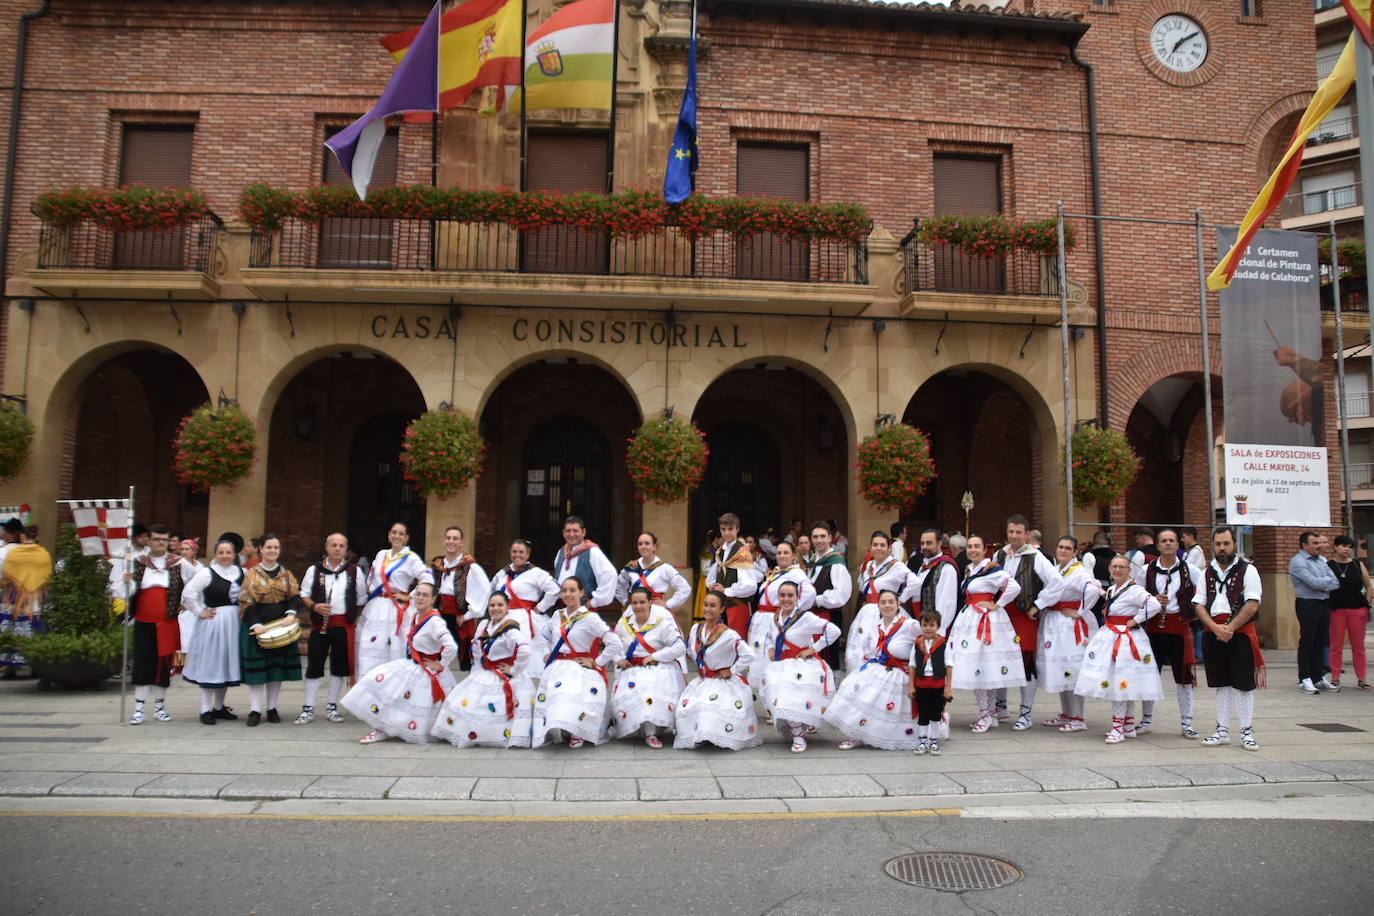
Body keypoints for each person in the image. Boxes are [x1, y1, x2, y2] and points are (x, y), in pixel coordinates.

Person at [343, 581, 456, 744]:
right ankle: (382, 728)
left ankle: (388, 729)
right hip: (411, 665)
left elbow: (450, 646)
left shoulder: (435, 621)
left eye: (425, 595)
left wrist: (441, 663)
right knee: (385, 688)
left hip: (426, 670)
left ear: (433, 599)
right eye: (418, 594)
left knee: (413, 702)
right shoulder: (416, 615)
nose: (420, 598)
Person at [1075, 555, 1164, 744]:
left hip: (1125, 639)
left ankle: (1118, 728)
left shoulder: (1135, 590)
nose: (1117, 570)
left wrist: (1136, 619)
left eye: (1122, 567)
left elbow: (1154, 604)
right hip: (1112, 635)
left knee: (1120, 682)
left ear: (1129, 570)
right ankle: (1128, 725)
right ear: (1109, 569)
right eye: (1114, 566)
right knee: (1123, 681)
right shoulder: (1111, 589)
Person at [1193, 527, 1265, 751]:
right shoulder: (1206, 572)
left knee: (1244, 684)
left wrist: (1230, 628)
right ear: (1212, 546)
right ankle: (1222, 730)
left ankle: (1246, 731)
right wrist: (1215, 628)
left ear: (1234, 544)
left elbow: (1252, 604)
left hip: (1240, 632)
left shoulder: (1248, 570)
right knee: (1221, 683)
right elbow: (1198, 603)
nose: (1222, 548)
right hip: (1213, 631)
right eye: (1218, 544)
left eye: (1226, 543)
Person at [432, 592, 535, 748]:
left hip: (503, 675)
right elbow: (476, 648)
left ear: (507, 607)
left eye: (500, 605)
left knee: (496, 707)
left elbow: (525, 650)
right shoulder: (484, 624)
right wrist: (479, 667)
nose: (496, 608)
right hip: (485, 672)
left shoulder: (510, 628)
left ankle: (496, 735)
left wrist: (514, 669)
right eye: (492, 605)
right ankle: (475, 732)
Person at [532, 577, 624, 748]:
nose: (568, 594)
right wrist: (546, 653)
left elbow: (614, 642)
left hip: (579, 667)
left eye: (572, 590)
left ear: (581, 593)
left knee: (574, 695)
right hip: (557, 666)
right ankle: (557, 730)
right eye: (565, 590)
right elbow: (544, 637)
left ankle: (578, 731)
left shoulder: (590, 618)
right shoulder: (557, 615)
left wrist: (596, 662)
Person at [825, 589, 921, 751]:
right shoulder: (878, 625)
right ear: (878, 606)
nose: (887, 605)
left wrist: (916, 663)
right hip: (879, 667)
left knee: (886, 707)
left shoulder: (909, 625)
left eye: (891, 602)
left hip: (900, 674)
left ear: (898, 604)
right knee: (859, 692)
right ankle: (855, 734)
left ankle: (884, 736)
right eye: (883, 602)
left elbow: (931, 639)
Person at [114, 524, 191, 723]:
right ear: (148, 540)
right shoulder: (138, 563)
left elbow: (199, 581)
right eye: (157, 539)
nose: (161, 543)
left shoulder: (178, 563)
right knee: (143, 663)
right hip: (144, 622)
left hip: (167, 622)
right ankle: (139, 707)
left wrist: (187, 603)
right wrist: (126, 582)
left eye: (165, 540)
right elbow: (125, 593)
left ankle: (160, 706)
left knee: (163, 665)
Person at [948, 534, 1024, 733]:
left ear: (984, 550)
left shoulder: (992, 569)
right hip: (970, 620)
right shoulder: (970, 569)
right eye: (970, 547)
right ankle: (989, 713)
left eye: (976, 546)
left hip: (985, 620)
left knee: (981, 668)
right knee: (982, 668)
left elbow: (1014, 586)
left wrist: (997, 604)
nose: (973, 550)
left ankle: (985, 713)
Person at [1135, 529, 1204, 738]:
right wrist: (1152, 598)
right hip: (1153, 627)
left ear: (1177, 545)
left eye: (1171, 540)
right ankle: (1146, 719)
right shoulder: (1146, 570)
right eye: (1163, 541)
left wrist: (1192, 610)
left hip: (1179, 626)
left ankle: (1187, 722)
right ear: (1157, 545)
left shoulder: (1189, 569)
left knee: (1183, 676)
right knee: (1149, 673)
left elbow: (1202, 594)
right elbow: (1136, 595)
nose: (1167, 544)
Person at [758, 581, 840, 753]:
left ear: (797, 598)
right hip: (779, 665)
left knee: (788, 699)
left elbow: (834, 631)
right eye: (782, 595)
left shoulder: (805, 617)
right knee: (779, 700)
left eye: (790, 595)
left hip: (801, 666)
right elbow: (768, 637)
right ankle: (800, 726)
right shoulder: (775, 617)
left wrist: (813, 648)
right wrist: (771, 648)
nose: (786, 599)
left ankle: (798, 736)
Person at [296, 533, 369, 725]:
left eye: (341, 545)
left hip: (342, 626)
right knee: (314, 666)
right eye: (334, 545)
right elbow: (303, 594)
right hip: (320, 625)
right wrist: (314, 606)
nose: (337, 548)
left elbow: (362, 598)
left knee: (338, 668)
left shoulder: (354, 571)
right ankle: (308, 708)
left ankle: (331, 706)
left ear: (346, 549)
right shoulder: (314, 570)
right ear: (326, 547)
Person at [674, 591, 761, 750]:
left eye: (713, 606)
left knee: (712, 706)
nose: (708, 609)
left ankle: (715, 736)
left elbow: (749, 655)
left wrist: (732, 670)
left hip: (722, 682)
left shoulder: (729, 634)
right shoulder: (696, 629)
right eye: (705, 605)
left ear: (721, 609)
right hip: (702, 680)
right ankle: (700, 735)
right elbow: (690, 650)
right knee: (689, 706)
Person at [994, 515, 1058, 730]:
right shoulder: (999, 554)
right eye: (1011, 531)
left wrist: (1038, 605)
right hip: (1002, 616)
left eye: (1018, 532)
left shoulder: (1036, 556)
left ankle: (1026, 714)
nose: (1013, 536)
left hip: (1024, 616)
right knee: (999, 661)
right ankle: (1000, 707)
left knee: (1025, 663)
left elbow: (1057, 583)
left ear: (1026, 534)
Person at [1037, 536, 1102, 733]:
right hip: (1056, 622)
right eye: (1060, 547)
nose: (1063, 550)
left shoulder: (1079, 571)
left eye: (1068, 548)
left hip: (1070, 625)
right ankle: (1066, 713)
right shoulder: (1057, 570)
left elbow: (1094, 589)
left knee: (1073, 669)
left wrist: (1079, 611)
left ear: (1075, 552)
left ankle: (1078, 717)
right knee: (1061, 669)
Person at [237, 533, 301, 727]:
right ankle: (255, 709)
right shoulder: (251, 574)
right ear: (261, 549)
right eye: (269, 547)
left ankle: (272, 708)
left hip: (280, 626)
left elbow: (295, 596)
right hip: (258, 624)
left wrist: (291, 613)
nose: (272, 551)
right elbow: (245, 601)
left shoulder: (287, 574)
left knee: (275, 670)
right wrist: (255, 624)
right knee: (258, 670)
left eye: (275, 548)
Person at [611, 587, 687, 747]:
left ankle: (651, 732)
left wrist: (655, 656)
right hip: (630, 670)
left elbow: (680, 647)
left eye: (642, 602)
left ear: (650, 602)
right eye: (634, 603)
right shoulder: (623, 624)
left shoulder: (661, 622)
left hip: (657, 668)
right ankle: (642, 728)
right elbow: (612, 646)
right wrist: (619, 659)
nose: (638, 606)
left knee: (648, 689)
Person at [180, 536, 244, 725]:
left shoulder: (241, 572)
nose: (225, 555)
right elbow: (188, 593)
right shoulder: (207, 573)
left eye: (229, 552)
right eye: (221, 552)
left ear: (234, 554)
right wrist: (200, 611)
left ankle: (219, 706)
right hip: (214, 622)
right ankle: (205, 708)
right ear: (215, 554)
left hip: (233, 622)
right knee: (212, 662)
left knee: (225, 663)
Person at [355, 522, 427, 678]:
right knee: (371, 646)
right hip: (376, 607)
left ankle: (393, 686)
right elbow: (373, 576)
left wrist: (411, 595)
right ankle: (370, 686)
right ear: (389, 535)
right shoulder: (382, 554)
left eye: (401, 534)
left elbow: (427, 578)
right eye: (394, 532)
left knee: (394, 646)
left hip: (395, 608)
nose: (397, 536)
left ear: (406, 538)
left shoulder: (411, 558)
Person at [423, 525, 489, 671]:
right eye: (448, 538)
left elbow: (485, 591)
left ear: (461, 543)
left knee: (463, 659)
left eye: (455, 538)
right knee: (437, 656)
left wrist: (467, 616)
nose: (451, 541)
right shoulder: (437, 565)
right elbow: (424, 584)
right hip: (439, 616)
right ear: (443, 541)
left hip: (460, 618)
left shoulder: (470, 566)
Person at [747, 540, 816, 674]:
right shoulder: (776, 572)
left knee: (769, 656)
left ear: (793, 555)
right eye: (779, 553)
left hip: (774, 619)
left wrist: (790, 611)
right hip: (761, 619)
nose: (782, 556)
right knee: (756, 656)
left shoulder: (796, 574)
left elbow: (810, 594)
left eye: (786, 552)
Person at [847, 531, 912, 671]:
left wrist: (900, 600)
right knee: (860, 648)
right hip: (867, 612)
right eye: (875, 544)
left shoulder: (896, 566)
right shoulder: (868, 566)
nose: (878, 548)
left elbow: (915, 583)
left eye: (882, 545)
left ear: (889, 548)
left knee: (880, 646)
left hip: (887, 612)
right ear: (870, 547)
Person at [489, 538, 561, 663]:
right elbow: (491, 589)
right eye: (514, 552)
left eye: (521, 552)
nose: (517, 555)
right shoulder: (503, 572)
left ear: (527, 554)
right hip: (501, 616)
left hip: (524, 618)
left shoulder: (536, 573)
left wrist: (540, 607)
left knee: (522, 652)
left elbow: (554, 590)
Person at [1289, 531, 1340, 694]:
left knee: (1320, 641)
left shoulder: (1322, 560)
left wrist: (1323, 582)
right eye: (1315, 543)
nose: (1320, 546)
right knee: (1308, 641)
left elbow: (1336, 581)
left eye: (1320, 543)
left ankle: (1318, 677)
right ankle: (1304, 678)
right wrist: (1324, 582)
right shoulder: (1298, 562)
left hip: (1324, 603)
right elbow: (1313, 583)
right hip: (1308, 604)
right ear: (1305, 545)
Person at [1328, 534, 1372, 690]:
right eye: (1343, 545)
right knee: (1336, 645)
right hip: (1337, 609)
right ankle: (1335, 678)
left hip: (1357, 609)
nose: (1347, 549)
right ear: (1335, 547)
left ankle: (1362, 678)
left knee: (1358, 645)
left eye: (1349, 546)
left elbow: (1368, 586)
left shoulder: (1357, 564)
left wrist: (1367, 603)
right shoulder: (1328, 565)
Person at [707, 513, 761, 637]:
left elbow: (750, 585)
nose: (726, 533)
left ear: (737, 529)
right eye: (723, 529)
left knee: (736, 643)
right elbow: (713, 576)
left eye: (730, 529)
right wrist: (712, 585)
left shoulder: (742, 552)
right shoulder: (721, 550)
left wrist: (726, 590)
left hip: (737, 606)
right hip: (721, 606)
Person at [614, 531, 691, 617]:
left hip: (656, 612)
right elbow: (618, 585)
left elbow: (685, 588)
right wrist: (626, 601)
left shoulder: (664, 568)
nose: (643, 546)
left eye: (647, 543)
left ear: (654, 546)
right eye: (640, 544)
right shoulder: (631, 566)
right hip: (634, 611)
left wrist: (667, 604)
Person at [908, 609, 953, 755]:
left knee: (935, 713)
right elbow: (913, 665)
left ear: (938, 626)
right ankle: (922, 741)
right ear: (920, 626)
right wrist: (911, 686)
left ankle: (933, 741)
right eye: (925, 625)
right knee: (923, 714)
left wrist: (948, 687)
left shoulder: (943, 645)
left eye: (932, 625)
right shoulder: (917, 645)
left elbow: (949, 666)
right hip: (921, 684)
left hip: (937, 684)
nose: (928, 628)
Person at [807, 522, 851, 669]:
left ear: (830, 538)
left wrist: (817, 600)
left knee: (827, 661)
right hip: (813, 617)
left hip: (829, 616)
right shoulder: (814, 560)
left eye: (822, 536)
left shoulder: (836, 562)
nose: (819, 540)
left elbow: (841, 595)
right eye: (815, 537)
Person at [552, 515, 617, 612]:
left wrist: (594, 602)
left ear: (583, 532)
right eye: (568, 531)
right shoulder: (561, 552)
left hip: (584, 608)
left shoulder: (592, 552)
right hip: (562, 608)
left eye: (575, 531)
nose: (571, 534)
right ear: (563, 533)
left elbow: (610, 575)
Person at [909, 528, 959, 633]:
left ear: (939, 543)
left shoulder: (946, 568)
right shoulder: (923, 565)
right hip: (920, 624)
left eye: (929, 543)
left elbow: (947, 603)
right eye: (922, 543)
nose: (924, 547)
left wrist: (939, 630)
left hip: (934, 628)